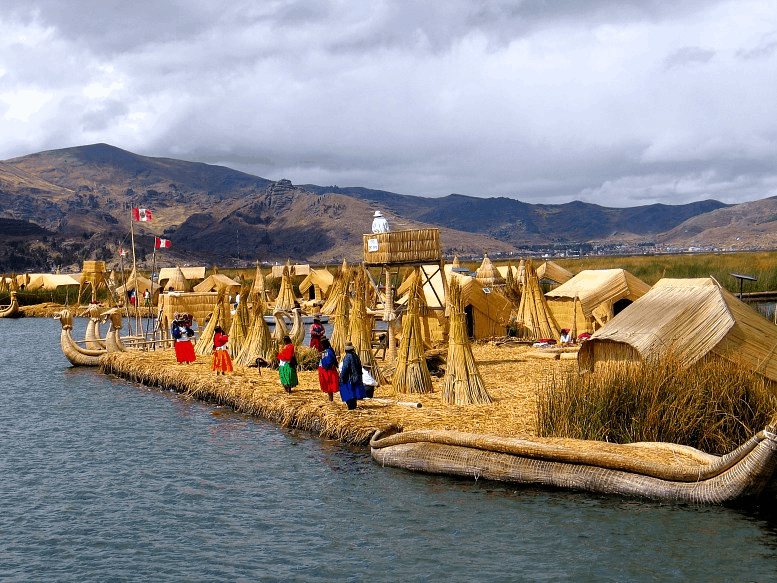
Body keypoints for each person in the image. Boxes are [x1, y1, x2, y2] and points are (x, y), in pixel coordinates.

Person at [339, 341, 365, 410]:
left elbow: (345, 368)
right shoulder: (355, 355)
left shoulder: (347, 357)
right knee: (354, 392)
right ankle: (353, 405)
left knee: (348, 392)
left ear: (345, 350)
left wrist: (341, 377)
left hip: (350, 378)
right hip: (356, 377)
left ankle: (351, 407)